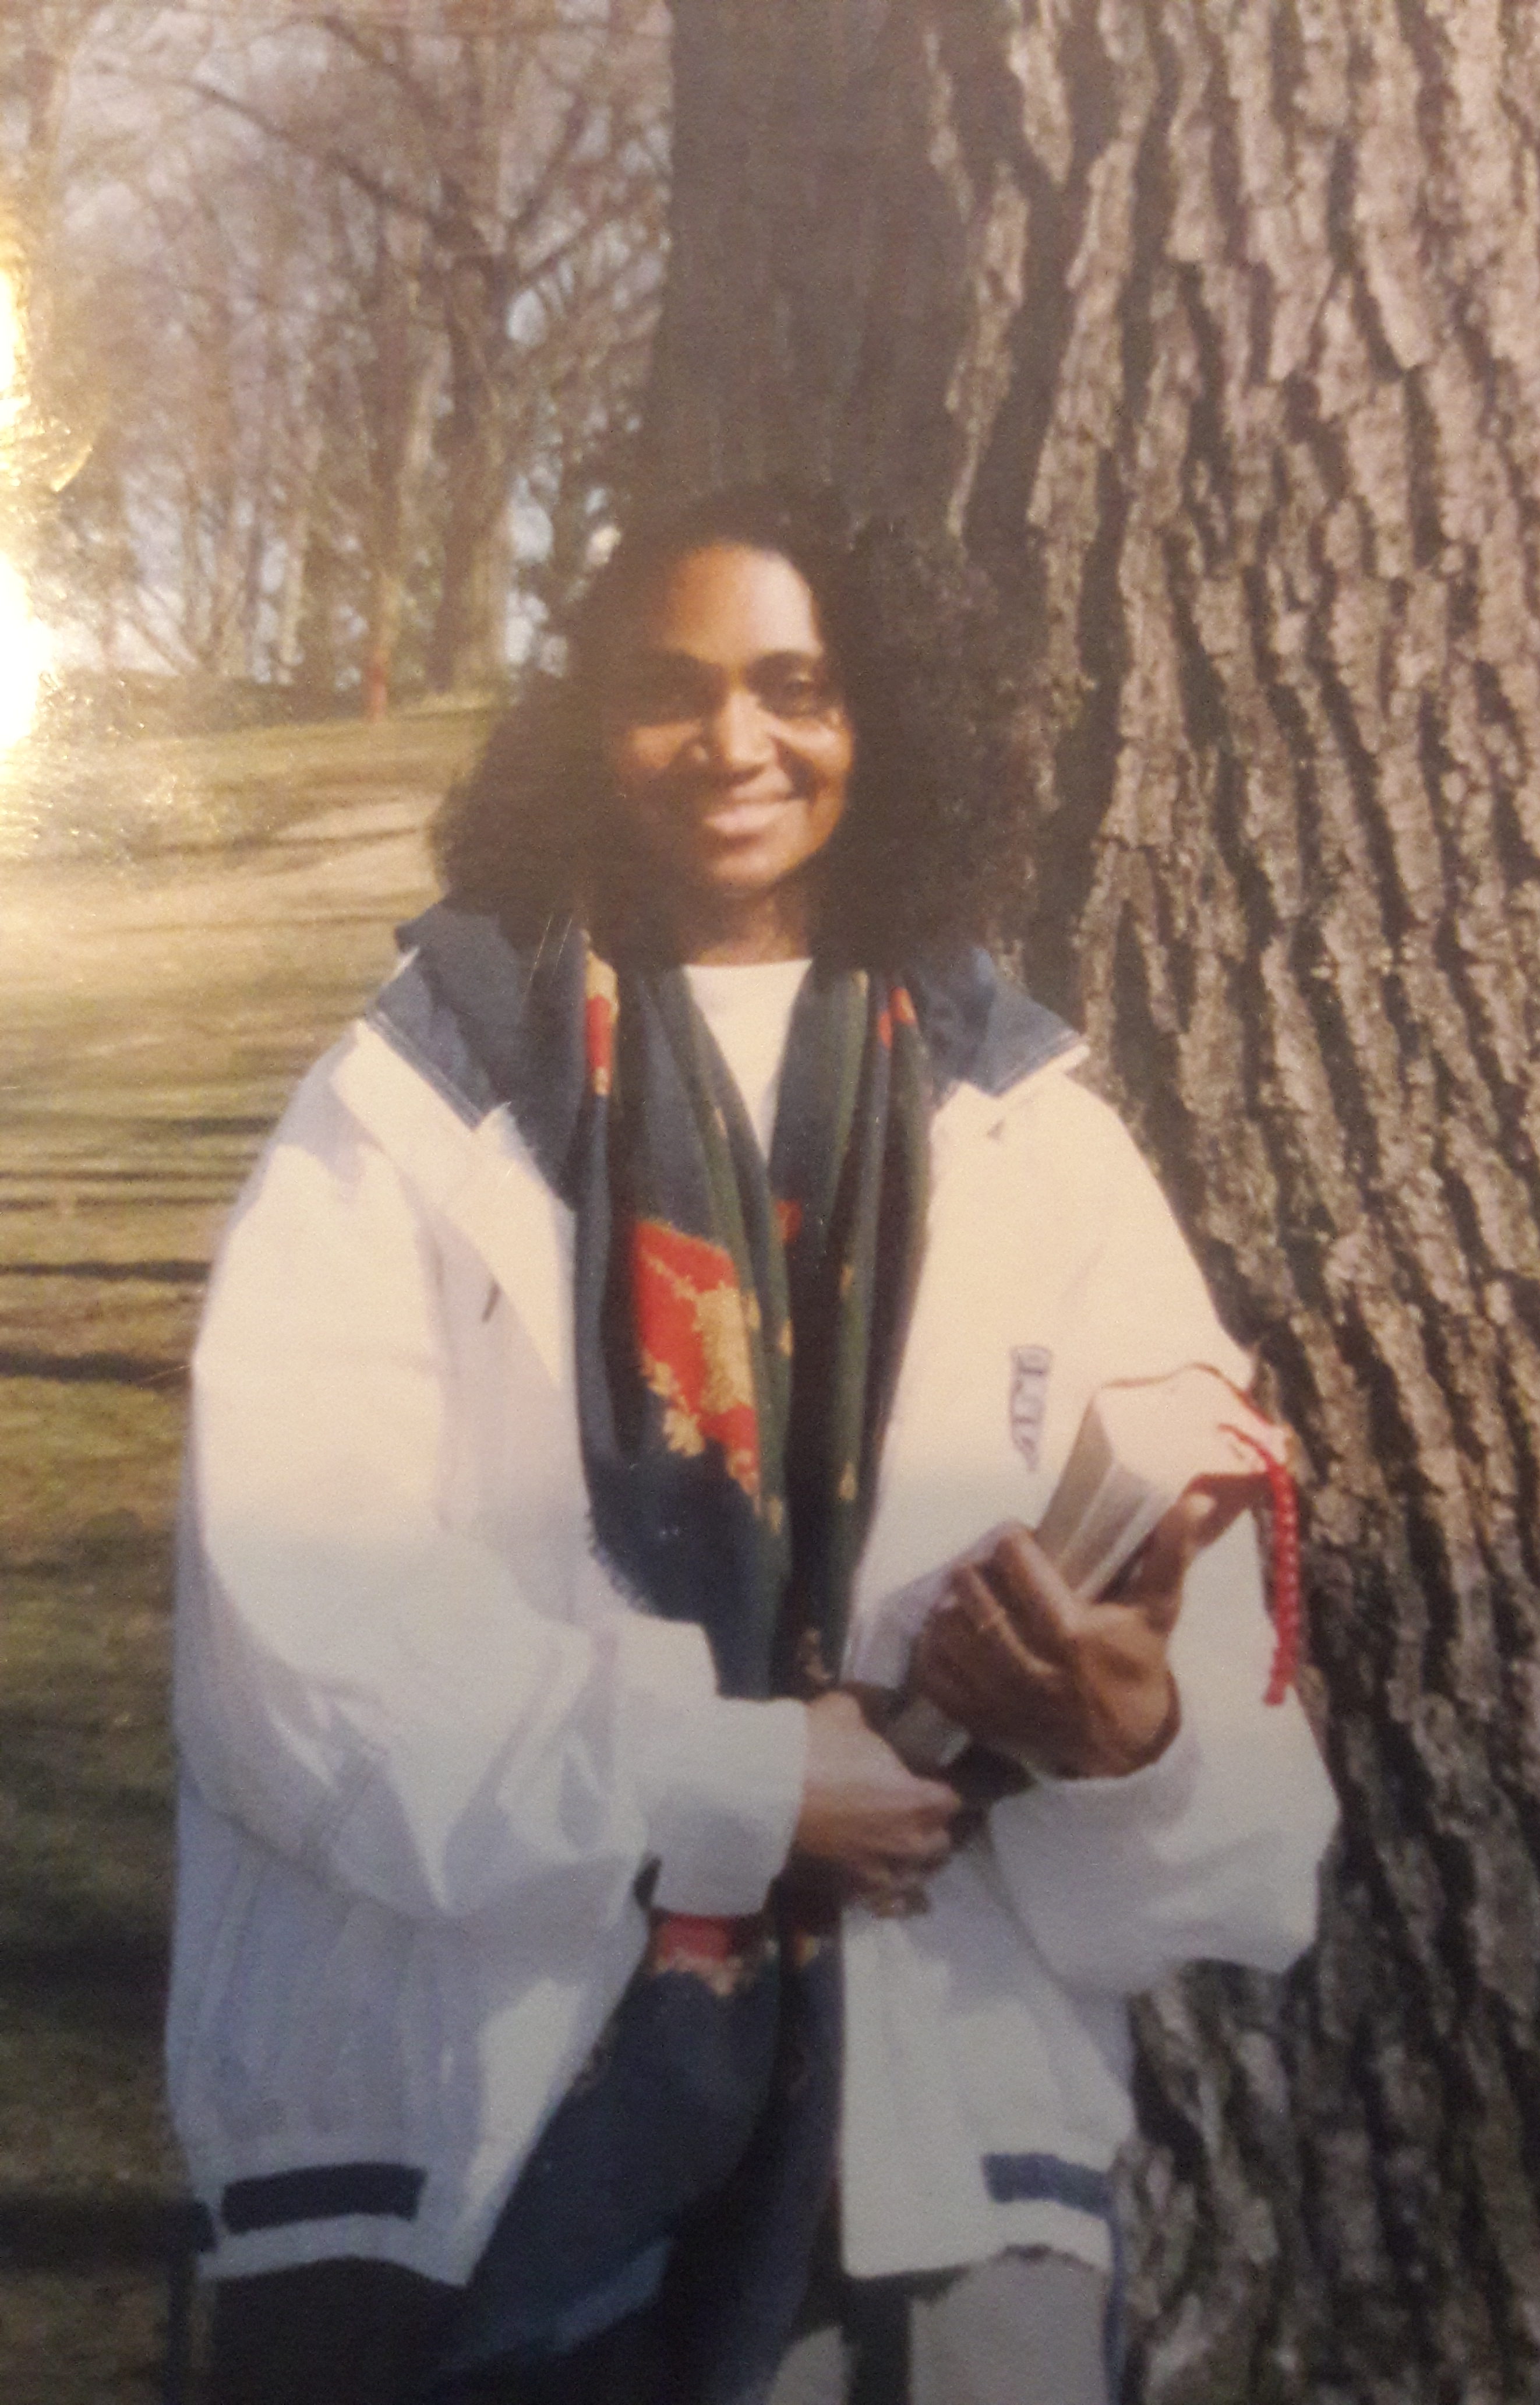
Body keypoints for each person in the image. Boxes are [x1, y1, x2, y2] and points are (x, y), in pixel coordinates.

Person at [167, 484, 1338, 2405]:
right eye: (671, 688)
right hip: (471, 2167)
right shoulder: (414, 1105)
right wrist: (745, 1786)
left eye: (799, 687)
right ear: (587, 723)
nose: (737, 742)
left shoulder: (1029, 1126)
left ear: (888, 721)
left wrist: (1133, 1735)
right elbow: (290, 1652)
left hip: (937, 2182)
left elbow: (1245, 1816)